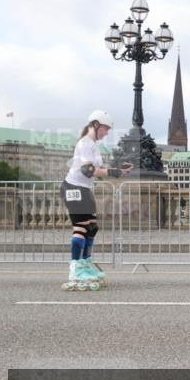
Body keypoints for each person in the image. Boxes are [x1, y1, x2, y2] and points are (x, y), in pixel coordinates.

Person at [61, 110, 132, 289]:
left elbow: (98, 167)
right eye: (105, 128)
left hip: (84, 188)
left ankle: (85, 263)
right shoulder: (85, 143)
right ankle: (75, 269)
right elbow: (88, 170)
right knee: (81, 227)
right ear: (95, 125)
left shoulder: (92, 144)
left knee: (92, 227)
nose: (107, 132)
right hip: (73, 188)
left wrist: (118, 168)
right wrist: (113, 172)